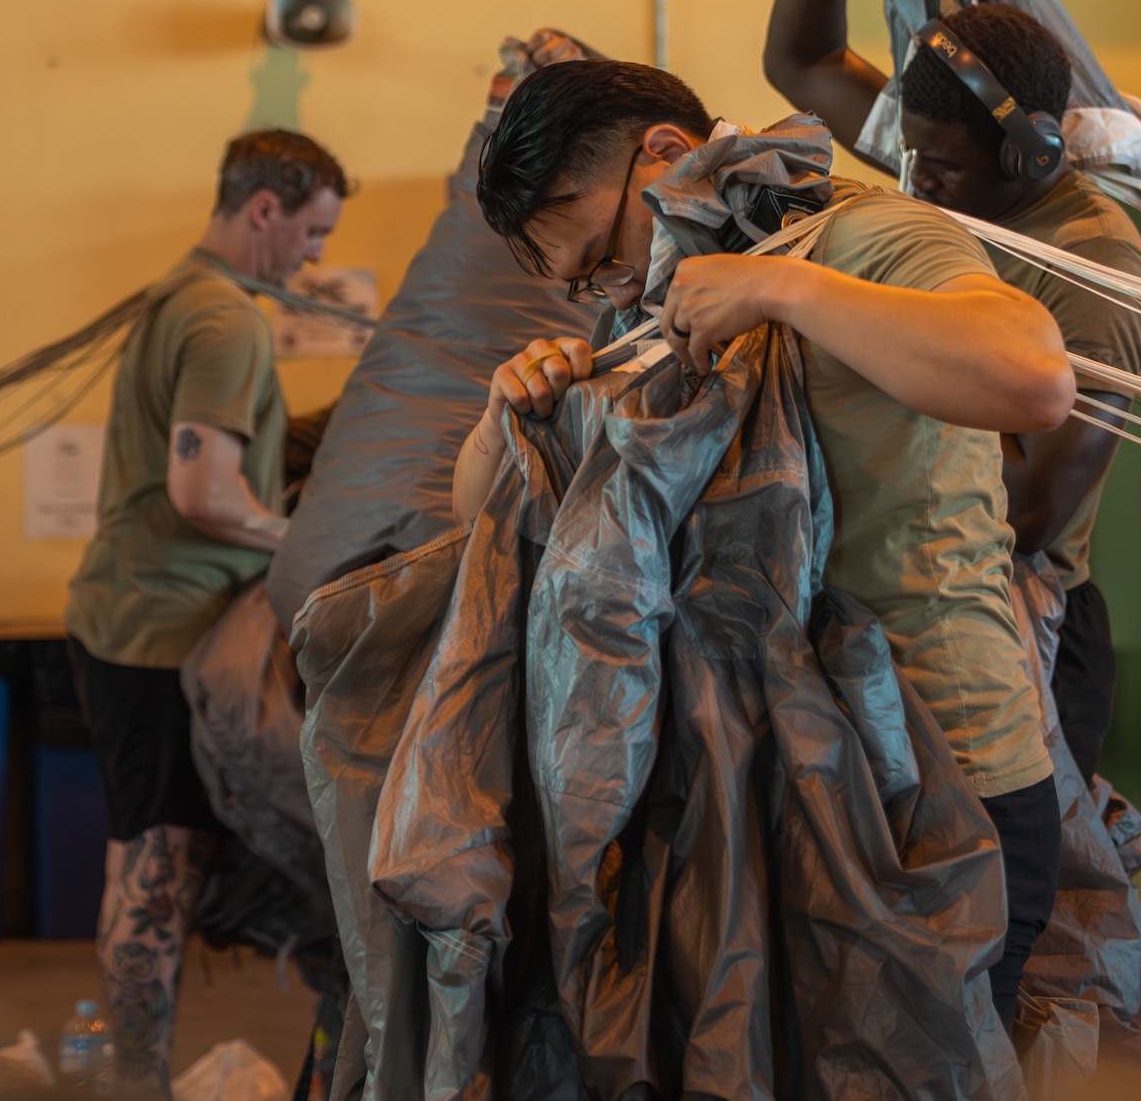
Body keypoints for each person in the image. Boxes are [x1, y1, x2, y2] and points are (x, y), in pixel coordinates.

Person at [451, 58, 1075, 1029]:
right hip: (768, 788)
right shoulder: (657, 317)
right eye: (584, 284)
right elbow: (481, 531)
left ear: (663, 153)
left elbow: (1031, 377)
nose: (610, 289)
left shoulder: (866, 237)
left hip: (939, 780)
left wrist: (786, 292)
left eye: (605, 256)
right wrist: (505, 418)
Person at [762, 0, 1141, 783]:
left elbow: (1027, 504)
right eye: (913, 157)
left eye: (938, 168)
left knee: (1027, 906)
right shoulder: (936, 170)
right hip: (905, 587)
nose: (915, 182)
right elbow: (797, 62)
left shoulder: (1097, 272)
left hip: (1019, 624)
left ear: (1028, 153)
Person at [63, 128, 348, 1089]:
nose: (315, 256)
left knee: (138, 856)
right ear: (264, 209)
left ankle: (127, 1076)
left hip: (123, 615)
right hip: (165, 631)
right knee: (158, 866)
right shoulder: (224, 320)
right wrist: (309, 545)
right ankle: (132, 1080)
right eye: (311, 232)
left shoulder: (174, 297)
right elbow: (203, 494)